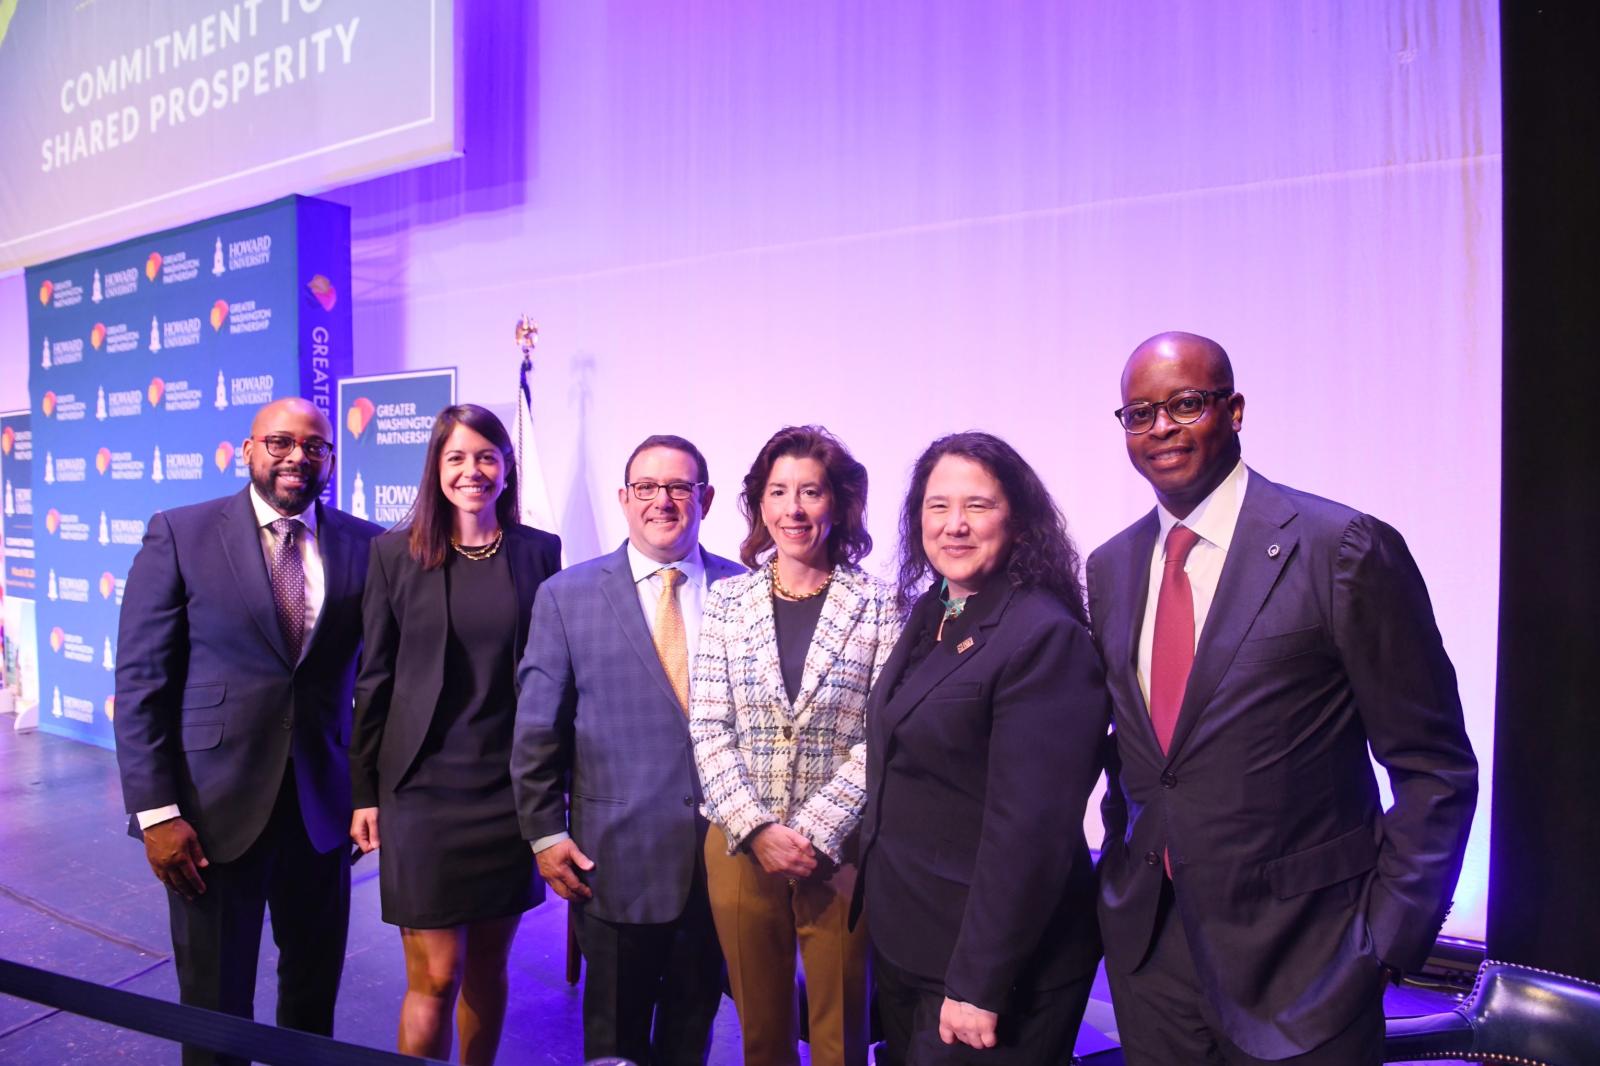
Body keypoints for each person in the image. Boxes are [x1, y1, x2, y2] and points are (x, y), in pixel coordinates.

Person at [1087, 331, 1479, 1065]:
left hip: (1308, 970)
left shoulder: (1341, 548)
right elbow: (1141, 764)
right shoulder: (1111, 567)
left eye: (1185, 404)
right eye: (1139, 413)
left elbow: (1435, 768)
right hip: (1152, 970)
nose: (1161, 427)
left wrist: (1384, 944)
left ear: (1233, 411)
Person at [113, 397, 382, 1066]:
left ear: (331, 457)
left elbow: (382, 682)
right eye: (280, 442)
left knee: (312, 997)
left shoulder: (369, 545)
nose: (298, 456)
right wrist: (156, 814)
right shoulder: (181, 533)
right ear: (249, 449)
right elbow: (143, 681)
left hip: (323, 812)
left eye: (314, 446)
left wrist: (369, 793)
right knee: (213, 1001)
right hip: (209, 815)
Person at [855, 431, 1109, 1065]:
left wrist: (977, 984)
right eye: (937, 506)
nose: (955, 526)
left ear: (1018, 520)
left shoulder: (1043, 636)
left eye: (978, 506)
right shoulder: (933, 612)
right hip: (915, 938)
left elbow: (1028, 834)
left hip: (989, 967)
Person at [511, 434, 744, 1065]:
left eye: (679, 487)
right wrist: (543, 834)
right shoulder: (568, 596)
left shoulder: (745, 592)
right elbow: (537, 728)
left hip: (721, 862)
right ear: (623, 498)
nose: (662, 500)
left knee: (691, 1031)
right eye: (647, 486)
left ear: (707, 498)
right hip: (611, 863)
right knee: (613, 1040)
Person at [349, 405, 561, 1064]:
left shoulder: (539, 553)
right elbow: (374, 679)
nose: (473, 470)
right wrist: (364, 792)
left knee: (487, 970)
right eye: (457, 458)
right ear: (436, 470)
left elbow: (555, 677)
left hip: (508, 794)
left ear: (505, 468)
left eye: (486, 457)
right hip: (421, 792)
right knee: (435, 976)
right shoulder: (394, 553)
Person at [690, 426, 901, 1066]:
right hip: (738, 845)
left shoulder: (880, 606)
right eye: (778, 492)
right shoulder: (727, 603)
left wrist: (812, 830)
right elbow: (708, 727)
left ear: (838, 502)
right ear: (759, 504)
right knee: (760, 1028)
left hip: (839, 853)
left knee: (841, 1032)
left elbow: (882, 734)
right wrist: (756, 828)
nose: (794, 509)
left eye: (810, 492)